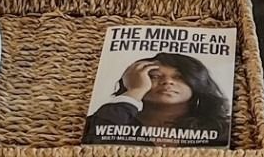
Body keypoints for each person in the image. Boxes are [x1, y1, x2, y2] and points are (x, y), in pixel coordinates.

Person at [83, 53, 231, 146]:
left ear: (197, 83)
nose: (167, 82)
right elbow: (94, 143)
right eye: (154, 76)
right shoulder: (104, 119)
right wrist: (135, 90)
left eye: (179, 77)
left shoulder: (222, 128)